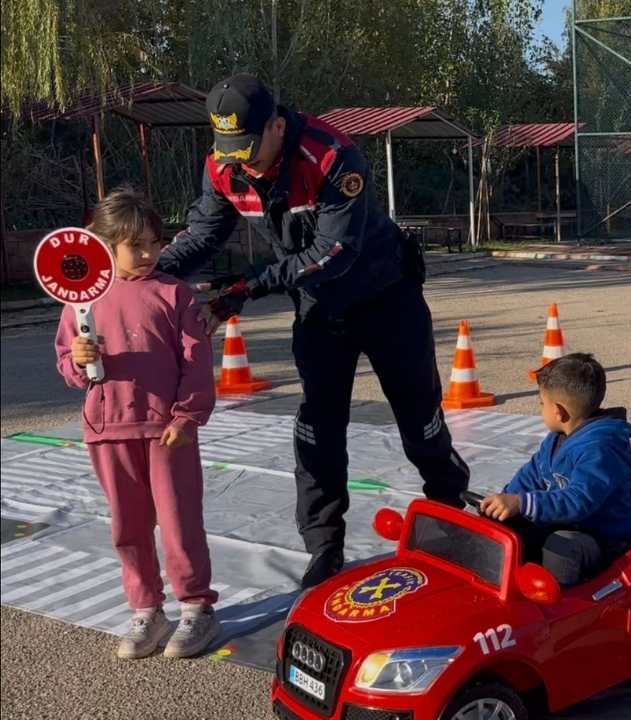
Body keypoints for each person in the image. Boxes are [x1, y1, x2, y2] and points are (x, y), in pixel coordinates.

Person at [155, 75, 470, 589]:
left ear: (278, 125)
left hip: (385, 296)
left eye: (249, 148)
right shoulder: (224, 166)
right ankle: (324, 544)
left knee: (419, 416)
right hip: (319, 310)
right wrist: (148, 277)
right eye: (229, 150)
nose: (241, 162)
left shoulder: (333, 156)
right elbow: (203, 234)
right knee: (319, 428)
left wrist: (244, 291)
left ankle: (449, 510)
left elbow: (331, 255)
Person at [54, 188, 220, 659]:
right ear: (104, 246)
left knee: (179, 522)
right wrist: (79, 360)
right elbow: (68, 364)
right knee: (127, 526)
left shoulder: (174, 293)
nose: (148, 254)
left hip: (167, 431)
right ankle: (147, 608)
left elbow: (195, 359)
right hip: (108, 429)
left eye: (153, 242)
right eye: (135, 245)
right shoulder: (81, 301)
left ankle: (196, 608)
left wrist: (188, 415)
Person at [479, 354, 631, 586]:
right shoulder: (557, 437)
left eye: (542, 404)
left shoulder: (601, 449)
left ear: (559, 412)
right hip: (566, 521)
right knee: (501, 528)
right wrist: (507, 502)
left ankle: (557, 611)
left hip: (601, 535)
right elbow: (532, 473)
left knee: (560, 549)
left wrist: (523, 503)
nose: (540, 408)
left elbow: (579, 501)